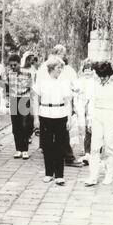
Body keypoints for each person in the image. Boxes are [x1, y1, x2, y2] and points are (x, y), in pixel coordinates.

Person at [83, 61, 113, 186]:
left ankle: (109, 175)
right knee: (94, 147)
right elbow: (91, 102)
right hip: (97, 116)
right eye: (100, 76)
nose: (102, 78)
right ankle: (93, 176)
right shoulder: (95, 84)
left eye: (105, 76)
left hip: (110, 116)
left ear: (109, 74)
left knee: (109, 147)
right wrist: (90, 119)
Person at [33, 55, 72, 186]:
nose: (60, 70)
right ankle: (49, 173)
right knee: (47, 145)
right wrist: (36, 118)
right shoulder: (42, 82)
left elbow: (68, 102)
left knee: (60, 145)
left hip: (60, 115)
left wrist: (69, 119)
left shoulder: (64, 82)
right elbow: (35, 101)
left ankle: (59, 175)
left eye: (61, 68)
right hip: (45, 114)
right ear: (51, 68)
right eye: (58, 68)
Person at [5, 53, 33, 159]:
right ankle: (18, 149)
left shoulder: (27, 73)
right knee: (16, 126)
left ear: (19, 63)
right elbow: (7, 89)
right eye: (11, 65)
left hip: (24, 99)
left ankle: (25, 150)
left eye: (15, 65)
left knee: (24, 125)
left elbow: (31, 88)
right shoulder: (9, 74)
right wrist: (7, 99)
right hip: (13, 100)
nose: (13, 67)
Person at [76, 59, 95, 165]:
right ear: (83, 71)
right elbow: (75, 95)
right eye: (86, 70)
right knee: (81, 127)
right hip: (81, 106)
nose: (87, 73)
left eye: (89, 70)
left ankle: (90, 148)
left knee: (90, 127)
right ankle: (82, 148)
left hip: (90, 107)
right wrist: (76, 107)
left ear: (92, 72)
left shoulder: (94, 82)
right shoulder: (78, 81)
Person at [21, 51, 37, 144]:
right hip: (22, 95)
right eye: (29, 59)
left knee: (31, 117)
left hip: (31, 94)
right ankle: (25, 136)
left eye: (32, 60)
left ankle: (29, 134)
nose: (30, 61)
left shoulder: (33, 69)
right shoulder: (21, 68)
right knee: (24, 117)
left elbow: (35, 81)